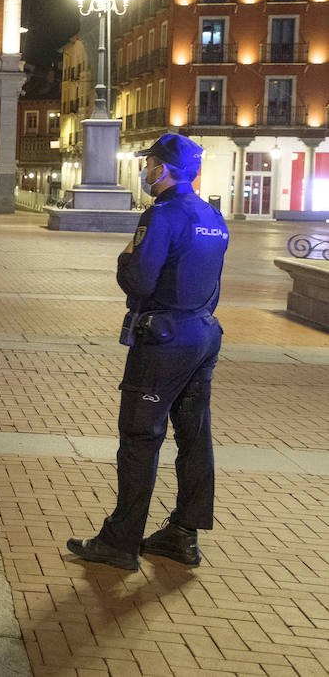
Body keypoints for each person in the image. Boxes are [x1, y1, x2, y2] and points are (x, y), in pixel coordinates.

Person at [68, 133, 229, 571]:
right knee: (195, 437)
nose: (146, 169)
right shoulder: (213, 217)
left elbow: (138, 280)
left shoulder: (162, 215)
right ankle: (184, 532)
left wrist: (124, 258)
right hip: (202, 333)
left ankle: (121, 541)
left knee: (140, 438)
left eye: (151, 162)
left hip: (163, 341)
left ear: (164, 168)